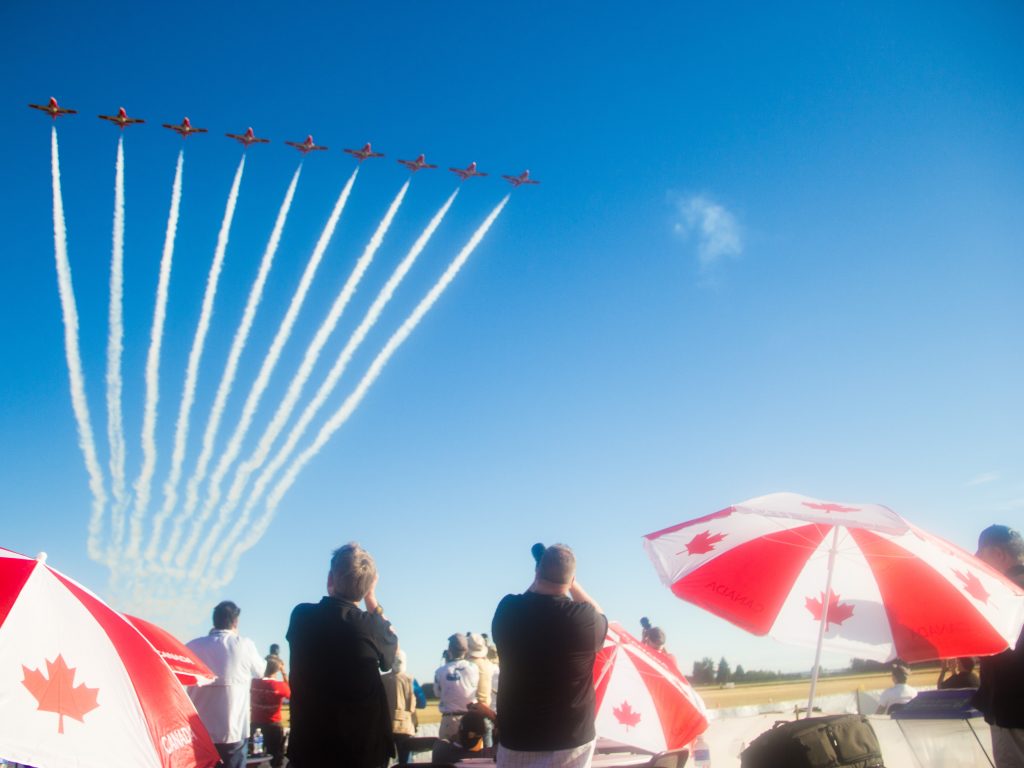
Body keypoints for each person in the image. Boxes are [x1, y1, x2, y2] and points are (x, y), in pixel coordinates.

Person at [492, 543, 608, 768]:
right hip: (574, 737)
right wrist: (573, 583)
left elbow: (527, 597)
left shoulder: (507, 610)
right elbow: (600, 615)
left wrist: (541, 574)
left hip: (519, 736)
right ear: (571, 579)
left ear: (537, 572)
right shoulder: (584, 619)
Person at [286, 542, 398, 768]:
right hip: (362, 752)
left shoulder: (301, 616)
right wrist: (371, 599)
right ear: (367, 588)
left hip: (310, 749)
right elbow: (390, 649)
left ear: (330, 579)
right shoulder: (371, 627)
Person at [186, 601, 265, 768]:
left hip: (199, 734)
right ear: (235, 622)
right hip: (233, 731)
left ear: (214, 621)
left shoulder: (192, 646)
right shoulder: (244, 645)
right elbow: (261, 671)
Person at [972, 524, 1024, 767]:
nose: (975, 560)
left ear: (998, 555)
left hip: (1011, 710)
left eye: (980, 554)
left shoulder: (999, 596)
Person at [434, 633, 481, 739]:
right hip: (470, 719)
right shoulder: (474, 668)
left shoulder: (440, 671)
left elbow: (437, 693)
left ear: (450, 649)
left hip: (449, 720)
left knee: (446, 753)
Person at [251, 656, 291, 768]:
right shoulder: (280, 686)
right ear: (278, 669)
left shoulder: (253, 683)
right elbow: (291, 693)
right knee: (277, 759)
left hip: (255, 725)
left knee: (253, 758)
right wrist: (284, 674)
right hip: (273, 726)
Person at [382, 648, 417, 764]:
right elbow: (422, 702)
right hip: (405, 726)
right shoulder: (411, 680)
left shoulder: (382, 679)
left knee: (383, 760)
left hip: (385, 725)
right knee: (405, 760)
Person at [467, 632, 498, 746]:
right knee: (488, 753)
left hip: (471, 713)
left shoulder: (467, 665)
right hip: (486, 713)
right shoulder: (489, 665)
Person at [431, 711, 496, 763]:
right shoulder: (488, 755)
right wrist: (489, 713)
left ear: (459, 729)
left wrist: (453, 739)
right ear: (480, 737)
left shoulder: (439, 749)